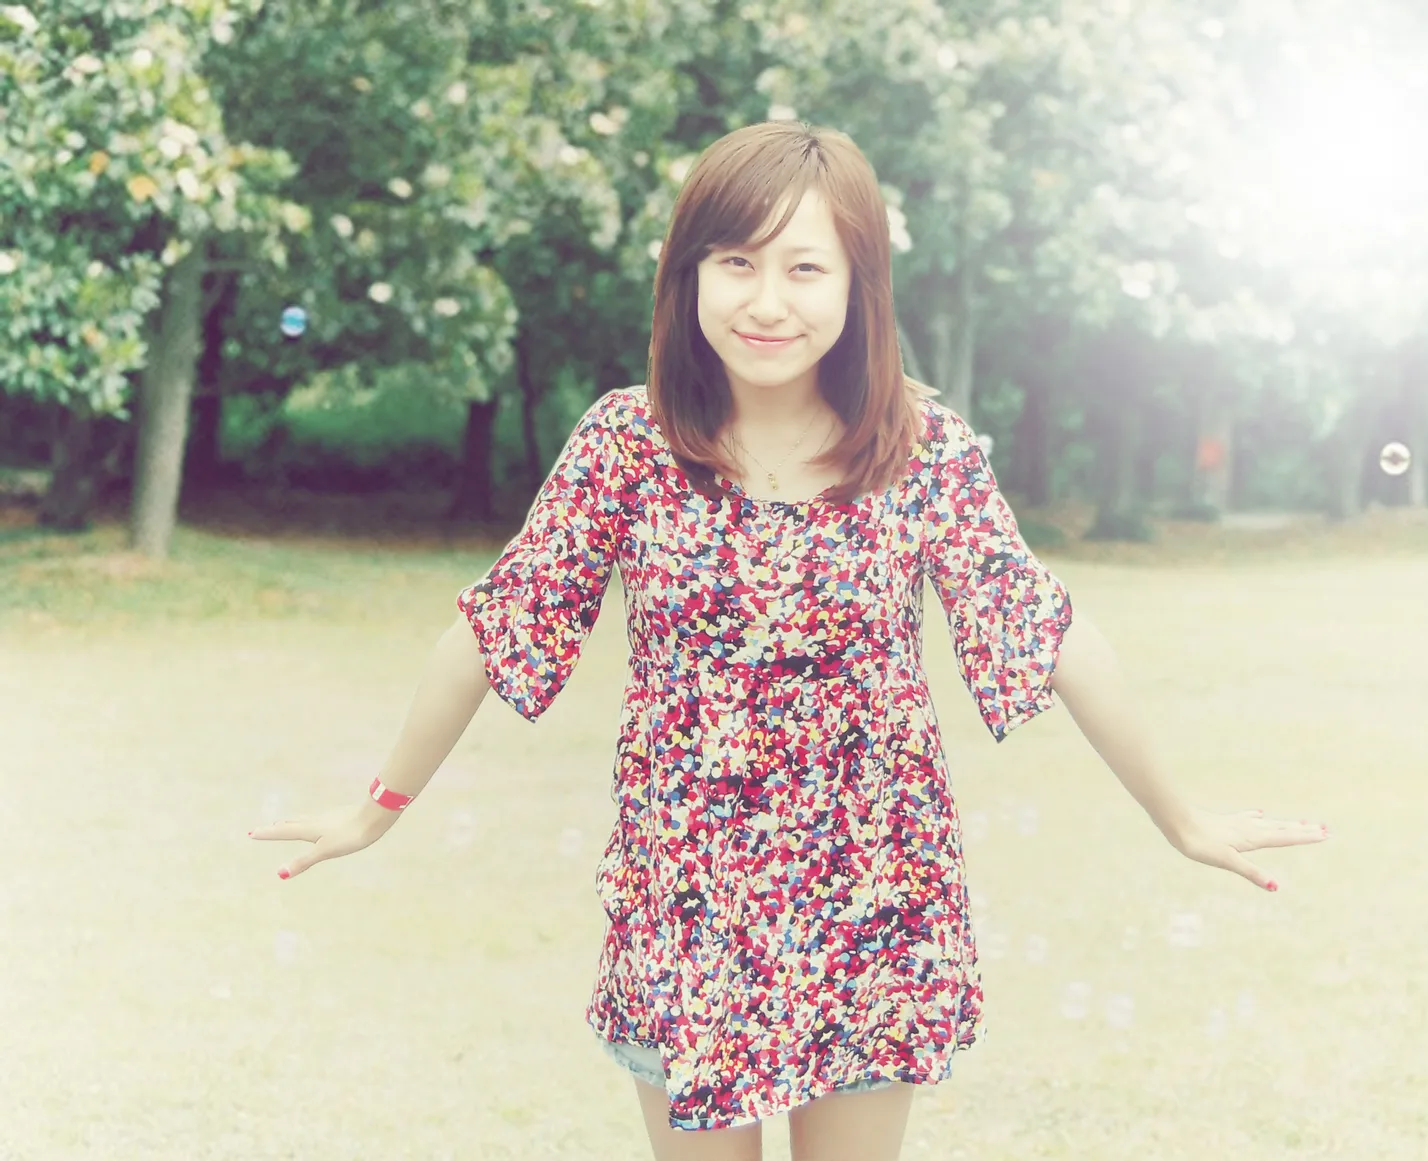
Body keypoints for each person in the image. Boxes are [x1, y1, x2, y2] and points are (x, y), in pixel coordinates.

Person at [250, 120, 1331, 1161]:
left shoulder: (922, 449)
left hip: (876, 898)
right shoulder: (628, 444)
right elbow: (495, 627)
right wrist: (376, 808)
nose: (767, 302)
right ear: (688, 275)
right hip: (687, 901)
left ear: (859, 286)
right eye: (737, 263)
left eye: (805, 269)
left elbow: (1051, 632)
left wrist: (1180, 817)